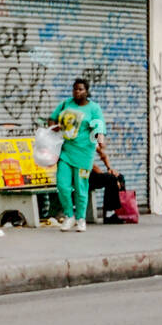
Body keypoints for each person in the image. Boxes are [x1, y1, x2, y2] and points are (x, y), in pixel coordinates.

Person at [46, 78, 111, 232]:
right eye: (75, 89)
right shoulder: (66, 104)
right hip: (66, 152)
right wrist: (53, 127)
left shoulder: (93, 108)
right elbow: (52, 119)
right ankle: (69, 215)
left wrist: (101, 143)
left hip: (84, 153)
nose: (77, 92)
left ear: (86, 91)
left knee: (81, 188)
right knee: (62, 185)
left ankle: (81, 218)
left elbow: (98, 126)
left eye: (80, 89)